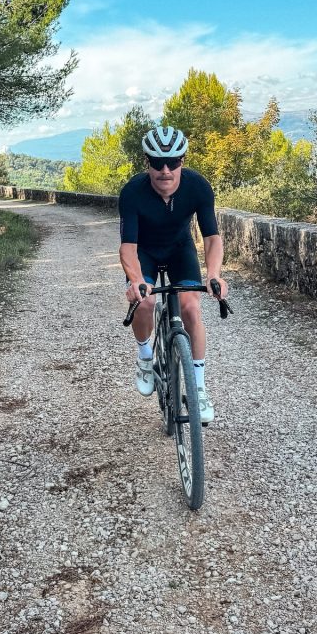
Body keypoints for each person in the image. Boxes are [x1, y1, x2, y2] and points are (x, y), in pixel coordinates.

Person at [118, 125, 229, 424]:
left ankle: (199, 388)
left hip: (180, 250)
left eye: (173, 162)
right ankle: (144, 357)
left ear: (183, 160)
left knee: (192, 308)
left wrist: (214, 274)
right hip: (145, 252)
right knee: (145, 302)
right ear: (147, 162)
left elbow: (212, 238)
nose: (165, 170)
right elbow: (127, 248)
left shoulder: (198, 186)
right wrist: (136, 280)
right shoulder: (132, 192)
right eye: (157, 163)